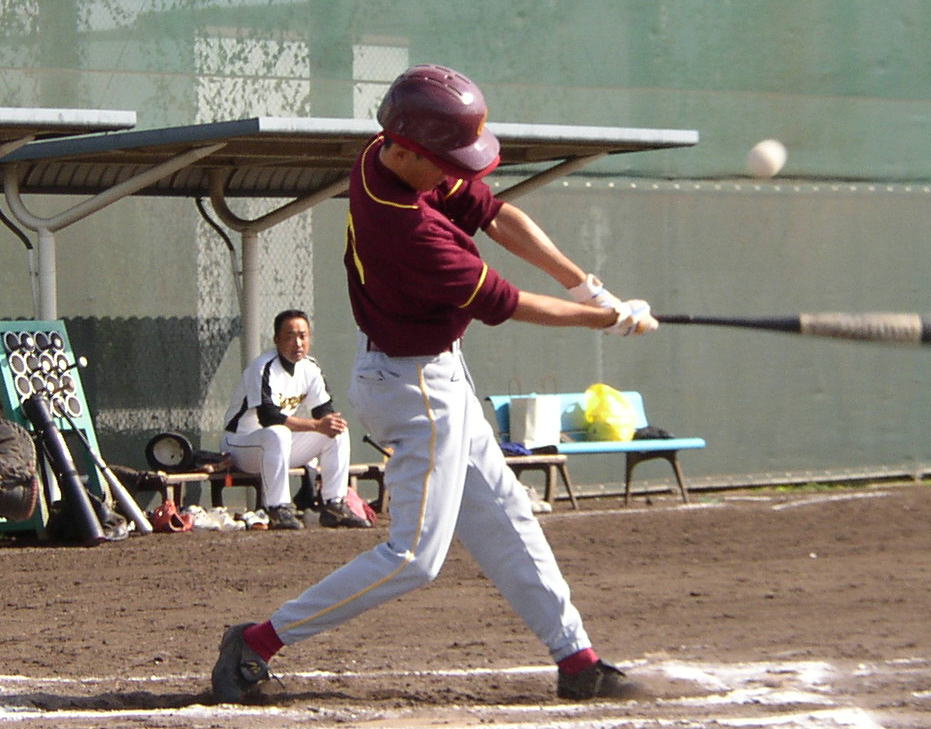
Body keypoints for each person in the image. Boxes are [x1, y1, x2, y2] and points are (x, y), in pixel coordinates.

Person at [211, 65, 658, 702]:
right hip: (414, 387)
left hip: (431, 373)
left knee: (505, 512)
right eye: (446, 163)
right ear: (407, 149)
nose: (457, 175)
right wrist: (606, 321)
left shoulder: (385, 154)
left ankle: (577, 658)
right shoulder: (409, 231)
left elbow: (496, 215)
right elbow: (509, 303)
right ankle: (256, 642)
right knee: (414, 556)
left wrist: (588, 287)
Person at [220, 309, 368, 530]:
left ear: (310, 338)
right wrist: (317, 425)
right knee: (278, 432)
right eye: (290, 336)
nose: (298, 343)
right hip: (240, 445)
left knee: (337, 431)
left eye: (302, 335)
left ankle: (334, 505)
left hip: (278, 448)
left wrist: (327, 423)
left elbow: (323, 410)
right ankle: (278, 508)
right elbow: (268, 417)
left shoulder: (310, 367)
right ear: (277, 339)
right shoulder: (263, 367)